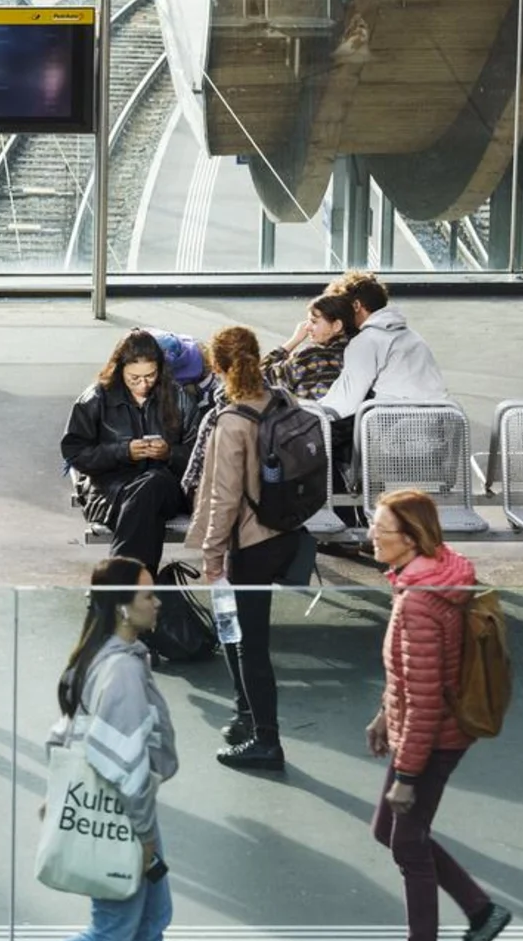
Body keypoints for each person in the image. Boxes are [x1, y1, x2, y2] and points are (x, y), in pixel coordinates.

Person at [0, 557, 219, 941]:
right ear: (124, 607)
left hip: (114, 816)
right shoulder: (124, 670)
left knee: (152, 918)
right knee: (109, 932)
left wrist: (58, 792)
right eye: (149, 595)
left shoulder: (98, 654)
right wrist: (147, 839)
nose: (158, 602)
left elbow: (67, 732)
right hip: (126, 823)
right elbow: (125, 767)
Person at [359, 489, 512, 941]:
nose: (371, 537)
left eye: (379, 530)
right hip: (424, 727)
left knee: (406, 841)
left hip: (431, 736)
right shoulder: (432, 574)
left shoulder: (420, 604)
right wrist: (385, 712)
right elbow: (410, 677)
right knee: (391, 830)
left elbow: (424, 699)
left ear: (408, 538)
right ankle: (483, 912)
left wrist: (406, 776)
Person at [186, 327, 309, 772]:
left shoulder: (230, 422)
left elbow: (223, 498)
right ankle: (245, 717)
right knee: (241, 636)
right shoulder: (282, 401)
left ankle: (266, 741)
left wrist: (211, 555)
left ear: (216, 368)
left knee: (248, 645)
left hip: (249, 545)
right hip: (285, 535)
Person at [62, 330, 200, 575]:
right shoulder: (95, 398)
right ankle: (135, 587)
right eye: (134, 378)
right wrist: (122, 452)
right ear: (119, 370)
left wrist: (169, 453)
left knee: (152, 485)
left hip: (164, 486)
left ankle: (120, 586)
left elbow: (199, 455)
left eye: (150, 376)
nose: (143, 384)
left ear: (160, 370)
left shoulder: (178, 398)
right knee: (145, 504)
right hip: (111, 491)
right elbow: (76, 453)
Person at [314, 270, 448, 419]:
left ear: (356, 305)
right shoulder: (413, 337)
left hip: (396, 427)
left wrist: (308, 414)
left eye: (343, 309)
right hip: (443, 422)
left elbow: (345, 402)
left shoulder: (366, 341)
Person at [264, 292, 358, 401]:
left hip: (310, 416)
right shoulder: (359, 351)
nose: (307, 327)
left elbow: (260, 377)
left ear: (337, 326)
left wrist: (294, 340)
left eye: (314, 322)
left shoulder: (310, 357)